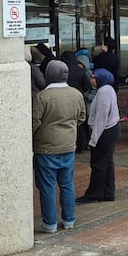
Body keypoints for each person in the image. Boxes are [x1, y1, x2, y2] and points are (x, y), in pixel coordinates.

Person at [32, 60, 86, 233]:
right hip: (69, 145)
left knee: (47, 186)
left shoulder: (43, 97)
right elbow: (82, 117)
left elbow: (34, 122)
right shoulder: (76, 94)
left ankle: (50, 224)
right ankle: (69, 220)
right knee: (67, 183)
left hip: (46, 147)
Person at [81, 67, 120, 203]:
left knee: (98, 164)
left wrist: (93, 139)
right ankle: (108, 193)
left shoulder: (103, 92)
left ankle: (94, 193)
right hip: (111, 129)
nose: (91, 80)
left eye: (94, 77)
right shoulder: (109, 89)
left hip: (105, 131)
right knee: (107, 162)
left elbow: (101, 118)